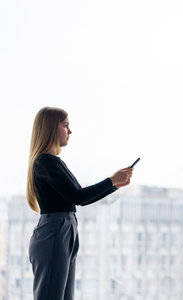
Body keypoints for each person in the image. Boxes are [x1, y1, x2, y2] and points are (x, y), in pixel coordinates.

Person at [27, 106, 134, 300]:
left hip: (64, 229)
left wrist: (114, 184)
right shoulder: (45, 162)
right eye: (65, 125)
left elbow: (79, 197)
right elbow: (79, 197)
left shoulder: (54, 161)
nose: (70, 131)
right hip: (55, 230)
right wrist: (111, 180)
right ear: (51, 128)